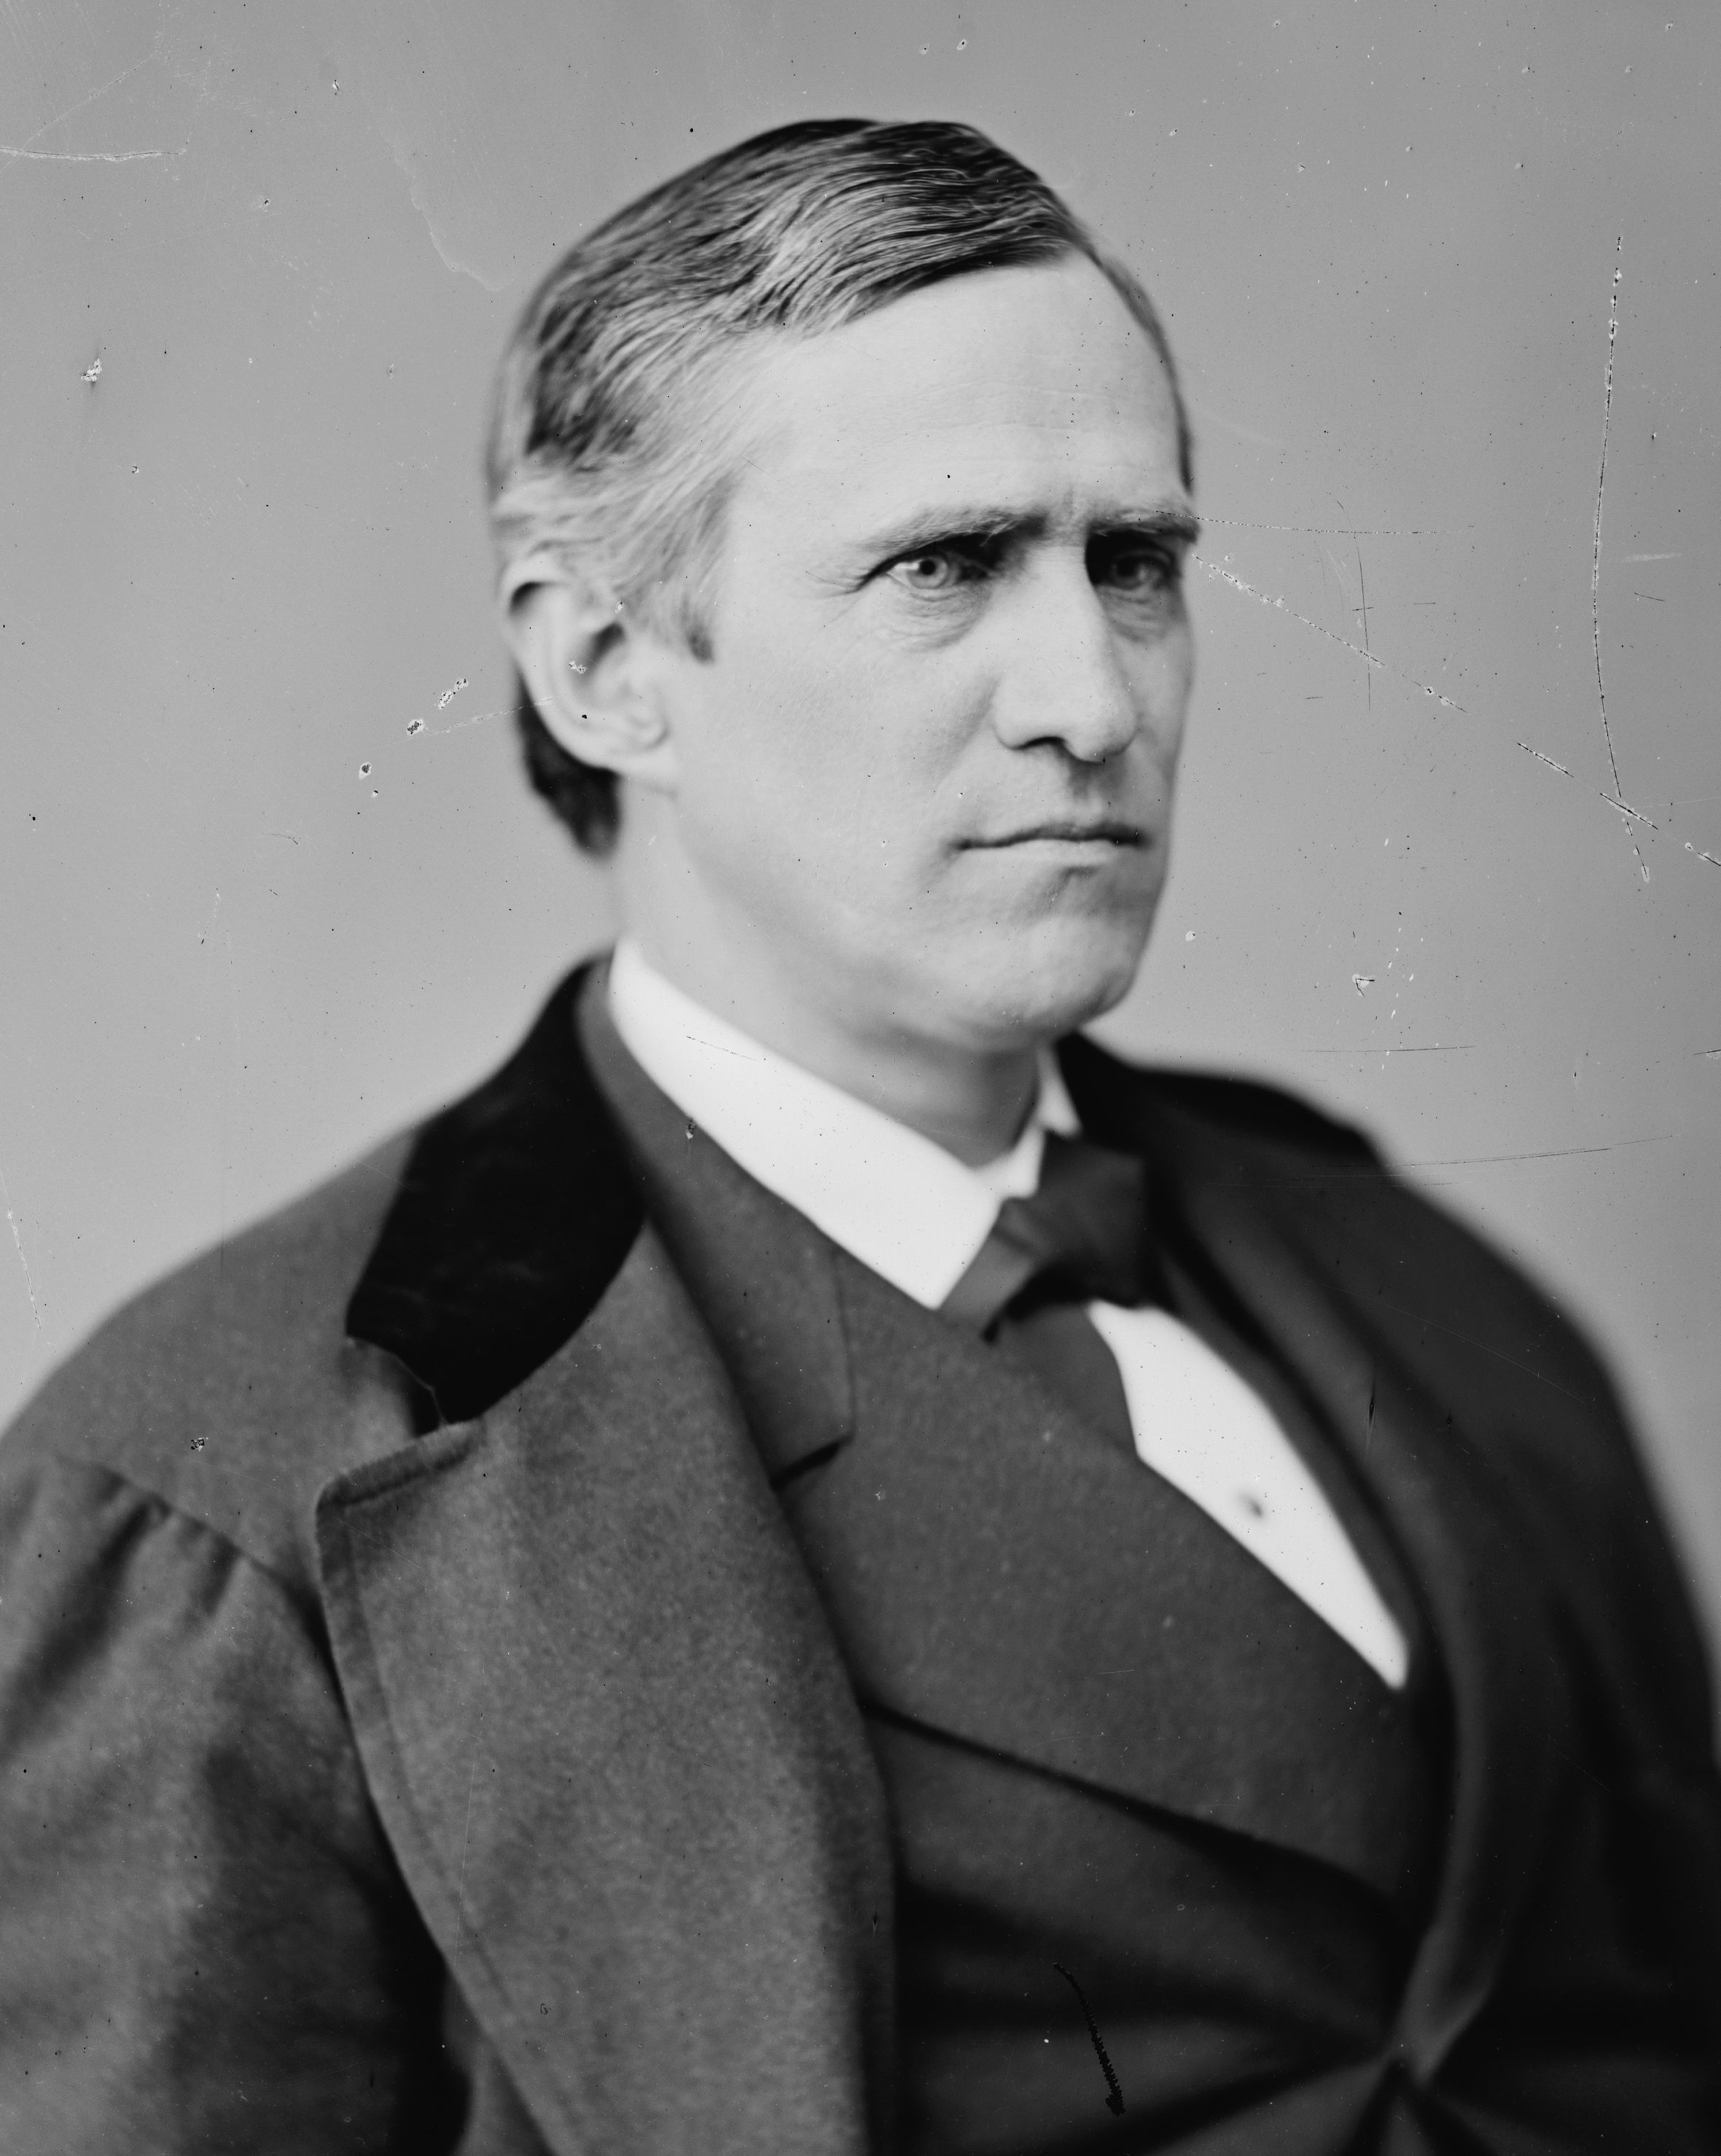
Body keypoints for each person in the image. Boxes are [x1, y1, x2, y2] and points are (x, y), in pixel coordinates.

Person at [1, 117, 1717, 2156]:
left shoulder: (1420, 1284)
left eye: (1135, 565)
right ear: (606, 668)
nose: (1092, 697)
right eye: (944, 566)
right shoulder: (216, 1491)